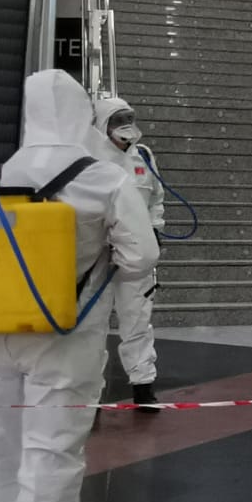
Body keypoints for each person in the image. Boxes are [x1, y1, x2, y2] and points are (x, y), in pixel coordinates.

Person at [0, 71, 159, 502]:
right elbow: (142, 256)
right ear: (83, 115)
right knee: (51, 455)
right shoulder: (102, 178)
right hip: (65, 336)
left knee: (1, 450)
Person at [92, 96, 165, 406]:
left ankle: (143, 384)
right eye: (117, 120)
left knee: (137, 317)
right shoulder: (89, 159)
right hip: (97, 255)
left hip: (136, 255)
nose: (125, 127)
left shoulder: (143, 157)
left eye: (128, 119)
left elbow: (156, 197)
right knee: (92, 324)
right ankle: (89, 391)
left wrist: (155, 230)